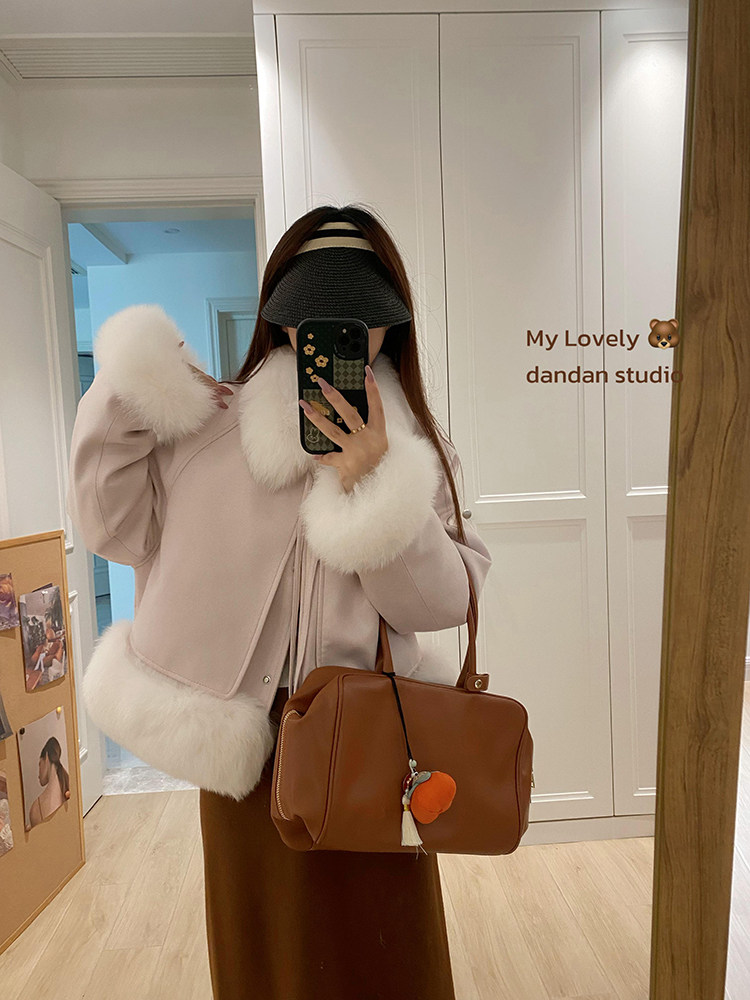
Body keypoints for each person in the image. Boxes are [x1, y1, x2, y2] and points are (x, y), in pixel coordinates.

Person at [66, 203, 492, 999]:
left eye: (359, 318)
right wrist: (134, 385)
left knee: (386, 958)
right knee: (264, 965)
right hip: (245, 761)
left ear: (391, 326)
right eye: (312, 315)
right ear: (280, 321)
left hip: (372, 751)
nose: (333, 334)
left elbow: (441, 603)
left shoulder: (418, 454)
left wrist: (376, 483)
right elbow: (110, 528)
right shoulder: (207, 434)